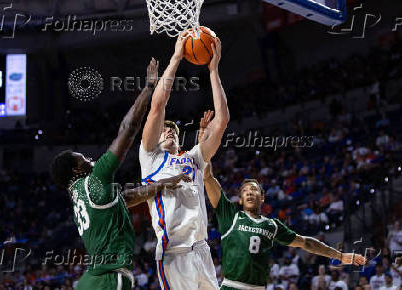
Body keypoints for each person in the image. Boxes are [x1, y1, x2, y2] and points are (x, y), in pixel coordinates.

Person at [51, 59, 191, 290]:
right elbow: (127, 130)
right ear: (76, 169)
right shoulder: (94, 180)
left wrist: (162, 183)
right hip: (108, 279)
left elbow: (125, 199)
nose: (90, 160)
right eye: (83, 159)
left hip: (89, 281)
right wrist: (148, 87)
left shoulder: (79, 195)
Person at [139, 32, 229, 289]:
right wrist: (177, 57)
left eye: (173, 131)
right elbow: (157, 107)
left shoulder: (193, 158)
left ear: (179, 139)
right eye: (163, 131)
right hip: (173, 254)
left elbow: (221, 122)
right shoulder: (150, 157)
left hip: (202, 249)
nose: (168, 131)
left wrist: (213, 70)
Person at [203, 161, 366, 289]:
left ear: (263, 198)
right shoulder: (231, 216)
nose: (250, 192)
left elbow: (305, 242)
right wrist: (205, 147)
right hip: (232, 287)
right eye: (245, 191)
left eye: (254, 190)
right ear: (240, 199)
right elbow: (208, 177)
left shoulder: (272, 225)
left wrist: (340, 256)